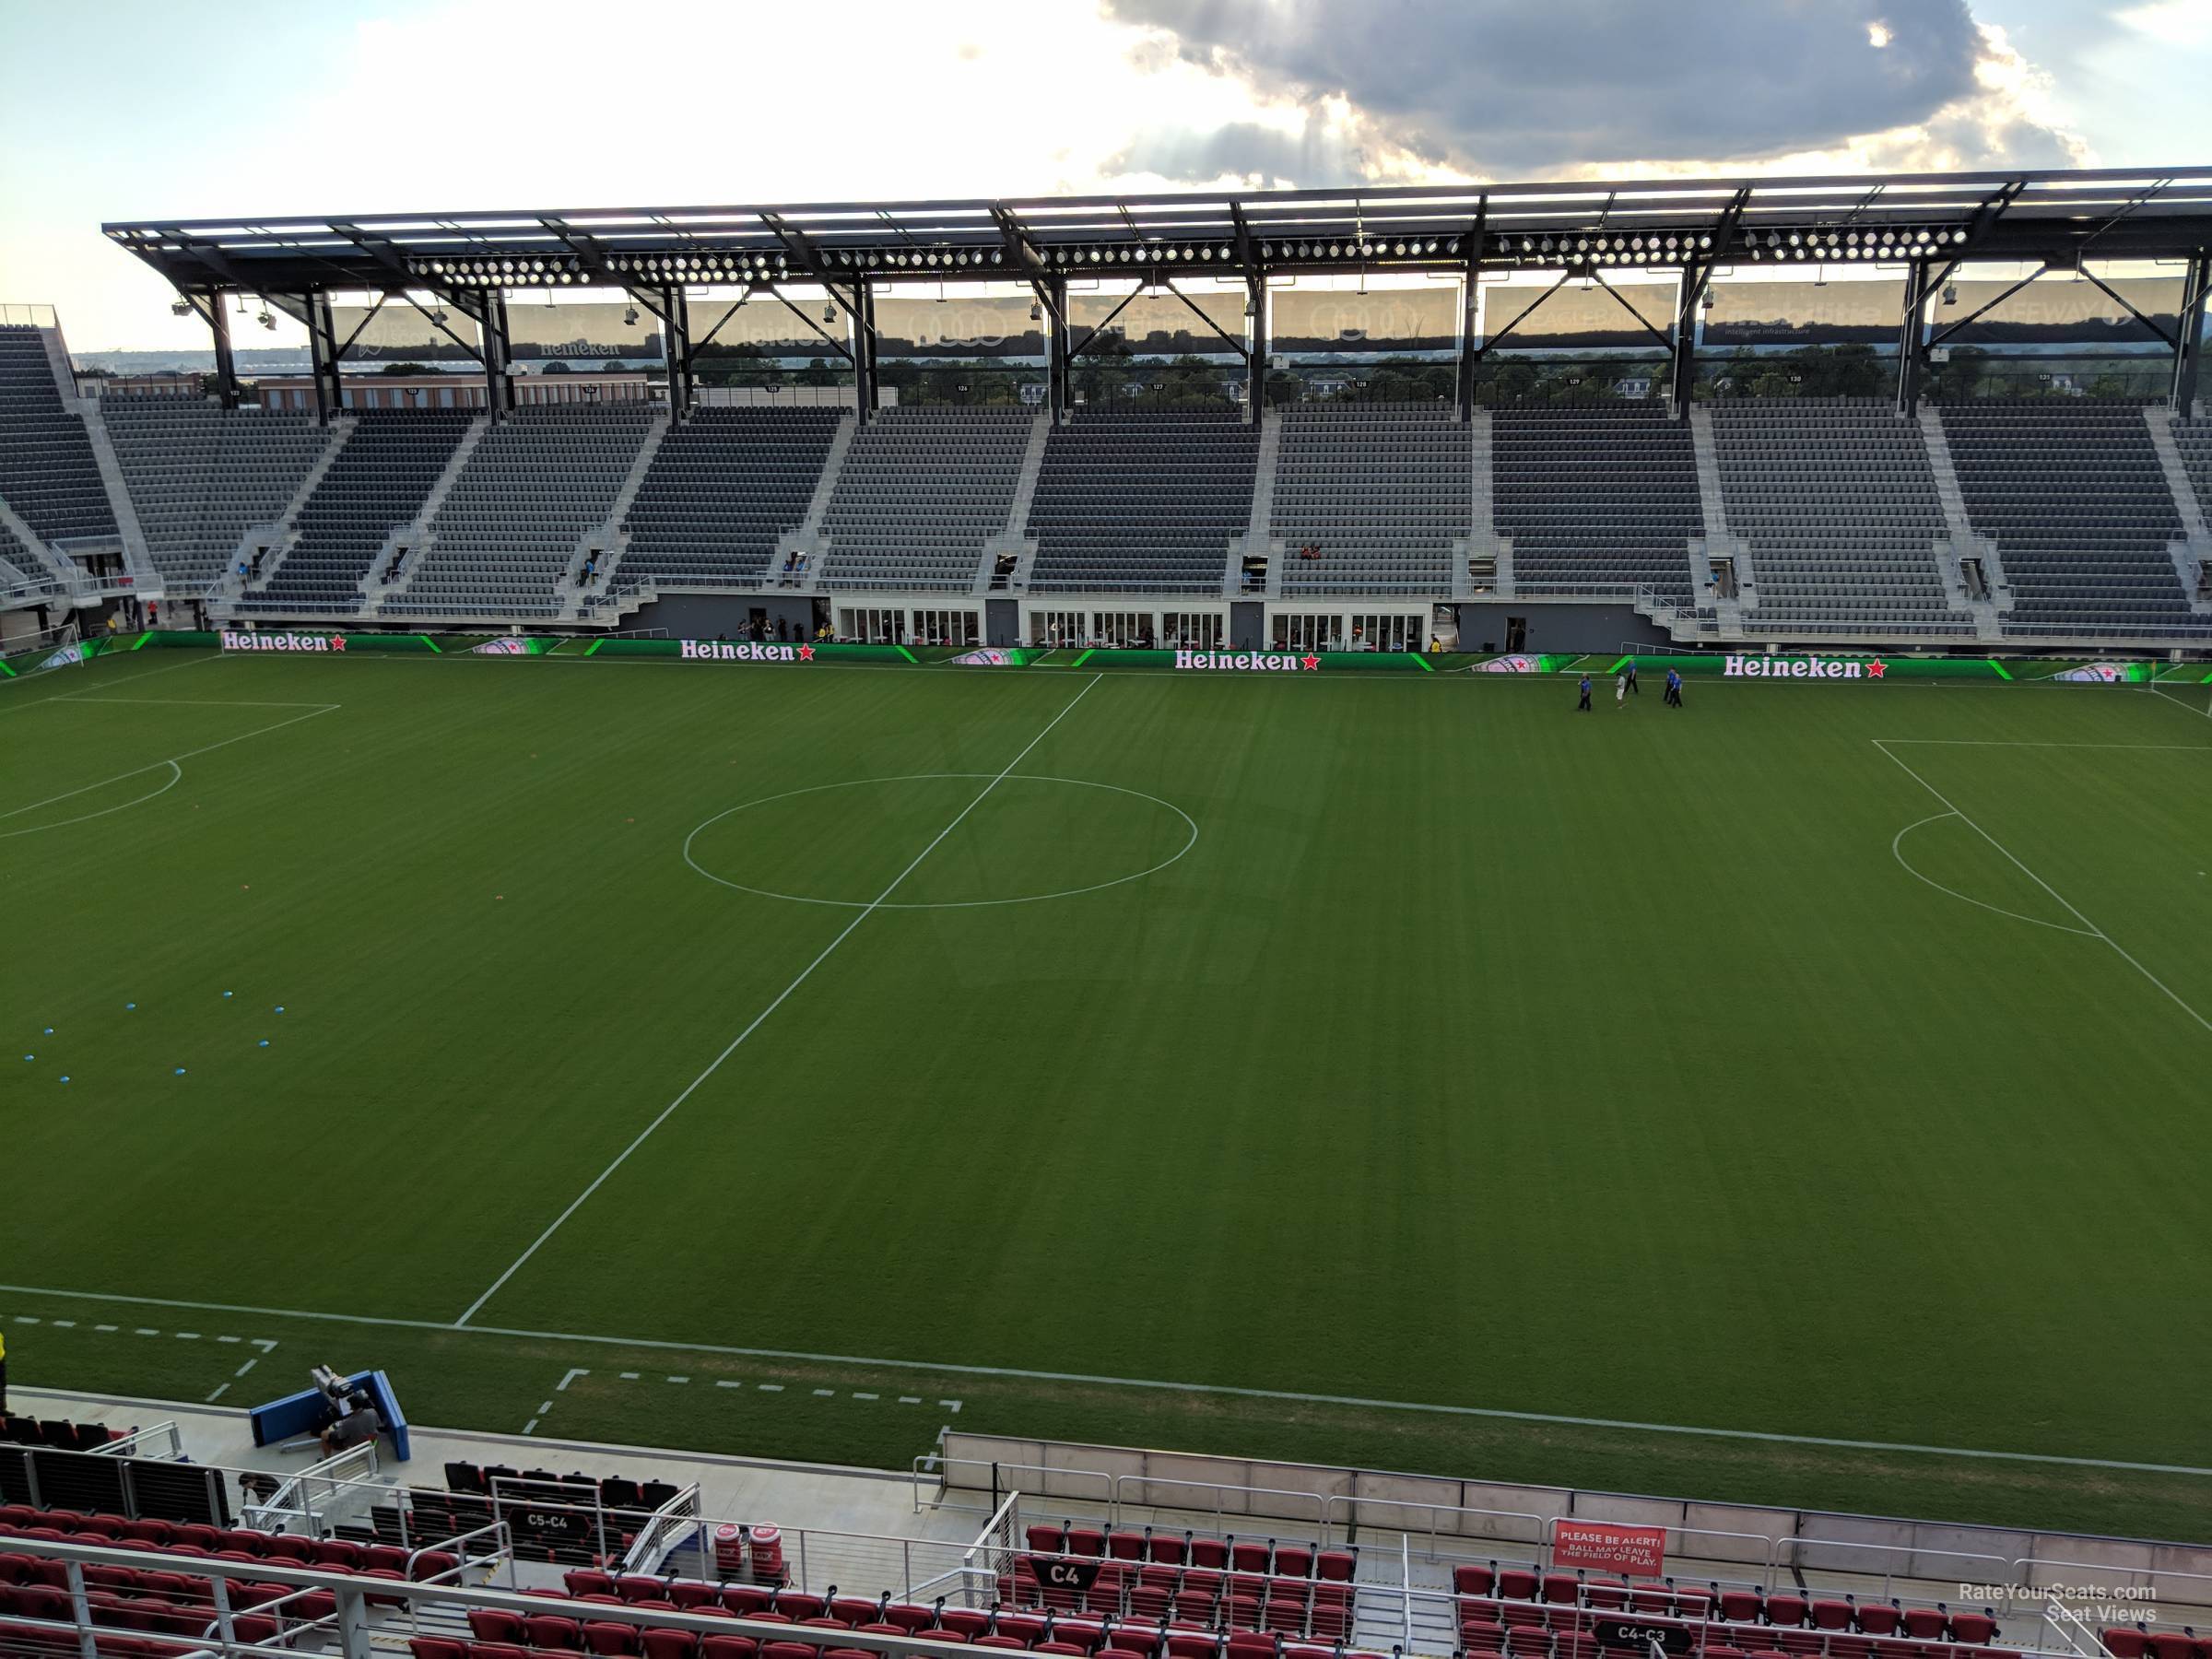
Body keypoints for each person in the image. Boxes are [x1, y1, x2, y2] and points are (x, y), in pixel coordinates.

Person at [318, 1391, 382, 1457]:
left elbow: (340, 1436)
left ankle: (327, 1458)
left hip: (355, 1445)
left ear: (351, 1407)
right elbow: (378, 1424)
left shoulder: (348, 1422)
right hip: (371, 1441)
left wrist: (339, 1427)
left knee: (324, 1434)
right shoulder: (372, 1411)